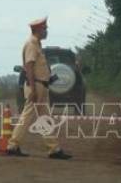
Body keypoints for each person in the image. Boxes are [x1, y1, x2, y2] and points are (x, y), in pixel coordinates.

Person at [6, 16, 72, 160]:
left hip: (41, 85)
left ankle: (53, 149)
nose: (46, 31)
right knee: (27, 116)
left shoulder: (37, 45)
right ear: (38, 30)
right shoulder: (31, 44)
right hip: (36, 85)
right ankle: (12, 145)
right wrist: (34, 89)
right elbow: (29, 67)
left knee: (45, 118)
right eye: (44, 29)